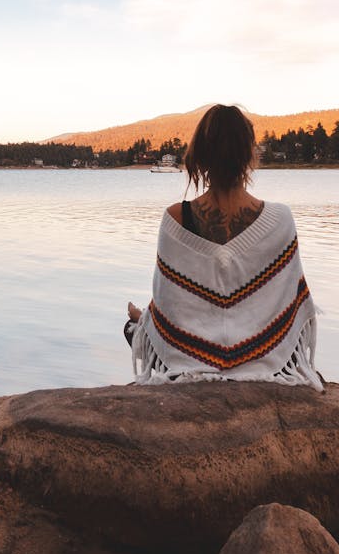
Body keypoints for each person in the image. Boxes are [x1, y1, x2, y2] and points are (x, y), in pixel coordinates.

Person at [126, 104, 323, 390]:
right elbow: (288, 305)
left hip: (188, 364)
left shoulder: (175, 219)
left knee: (133, 330)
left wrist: (144, 320)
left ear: (200, 156)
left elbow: (172, 309)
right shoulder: (281, 220)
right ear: (249, 155)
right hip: (267, 362)